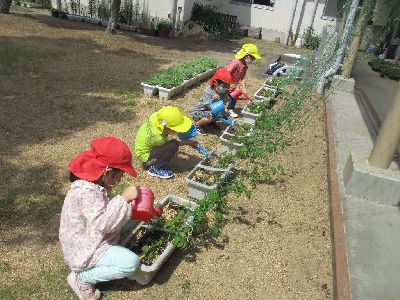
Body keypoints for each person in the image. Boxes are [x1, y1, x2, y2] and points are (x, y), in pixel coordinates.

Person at [59, 136, 149, 300]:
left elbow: (101, 217)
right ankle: (82, 279)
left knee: (129, 224)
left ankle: (90, 269)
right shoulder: (86, 193)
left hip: (89, 237)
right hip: (86, 249)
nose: (122, 178)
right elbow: (105, 224)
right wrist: (124, 199)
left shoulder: (92, 182)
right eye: (120, 174)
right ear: (108, 172)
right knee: (131, 263)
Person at [135, 106, 196, 179]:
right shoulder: (158, 138)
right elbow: (171, 144)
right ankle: (154, 168)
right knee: (173, 145)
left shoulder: (156, 117)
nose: (178, 132)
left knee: (171, 144)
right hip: (147, 161)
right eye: (176, 130)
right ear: (167, 128)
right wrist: (187, 142)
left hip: (142, 146)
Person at [191, 68, 234, 133]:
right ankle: (197, 125)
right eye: (224, 85)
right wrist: (212, 99)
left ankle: (210, 123)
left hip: (211, 111)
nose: (226, 87)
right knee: (212, 116)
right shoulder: (208, 91)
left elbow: (224, 103)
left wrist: (225, 109)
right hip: (199, 112)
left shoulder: (224, 92)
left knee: (223, 113)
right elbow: (207, 106)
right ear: (215, 83)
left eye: (228, 85)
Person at [225, 43, 262, 117]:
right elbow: (226, 73)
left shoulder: (245, 66)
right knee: (228, 98)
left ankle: (231, 108)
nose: (253, 60)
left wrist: (244, 89)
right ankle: (227, 110)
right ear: (247, 55)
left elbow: (243, 78)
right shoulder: (235, 62)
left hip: (233, 86)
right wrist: (229, 83)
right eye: (253, 58)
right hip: (227, 84)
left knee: (234, 97)